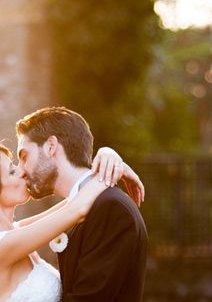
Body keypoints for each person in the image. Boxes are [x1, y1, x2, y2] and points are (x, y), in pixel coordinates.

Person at [0, 140, 144, 302]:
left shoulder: (11, 234)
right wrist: (114, 170)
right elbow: (77, 209)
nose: (22, 171)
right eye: (11, 171)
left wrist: (109, 155)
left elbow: (74, 199)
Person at [16, 107, 148, 301]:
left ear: (51, 146)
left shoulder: (110, 208)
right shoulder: (84, 205)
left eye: (24, 156)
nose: (20, 171)